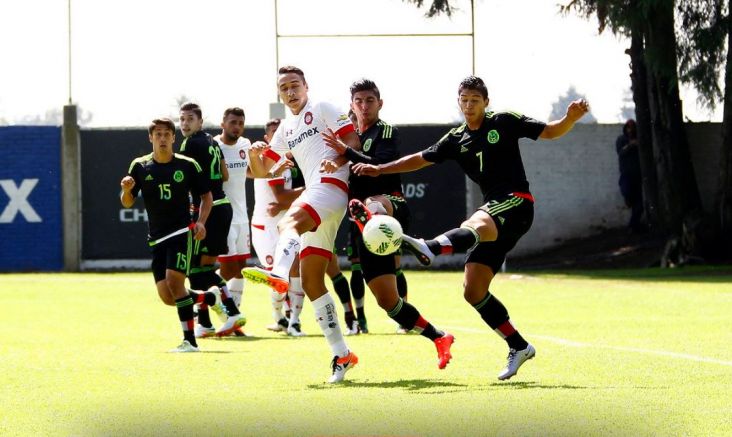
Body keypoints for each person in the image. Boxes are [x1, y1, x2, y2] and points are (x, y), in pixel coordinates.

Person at [353, 76, 590, 380]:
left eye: (475, 100)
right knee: (473, 290)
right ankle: (519, 346)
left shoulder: (504, 121)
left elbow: (549, 132)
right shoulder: (456, 138)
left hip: (516, 203)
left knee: (476, 222)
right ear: (459, 101)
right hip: (495, 213)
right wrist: (379, 169)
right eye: (464, 99)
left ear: (486, 102)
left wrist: (569, 118)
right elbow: (420, 159)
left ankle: (429, 246)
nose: (469, 105)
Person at [323, 78, 454, 369]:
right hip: (365, 229)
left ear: (379, 104)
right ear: (351, 105)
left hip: (390, 205)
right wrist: (336, 161)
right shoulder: (348, 136)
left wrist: (344, 153)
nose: (364, 106)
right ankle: (439, 337)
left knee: (372, 203)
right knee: (389, 304)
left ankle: (400, 236)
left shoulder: (386, 132)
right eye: (359, 101)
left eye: (370, 100)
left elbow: (377, 167)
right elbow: (342, 162)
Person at [243, 66, 358, 383]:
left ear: (306, 86)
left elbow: (354, 140)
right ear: (279, 94)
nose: (290, 92)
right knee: (311, 283)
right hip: (320, 198)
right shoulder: (284, 128)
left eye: (295, 85)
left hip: (331, 188)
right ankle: (342, 354)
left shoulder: (322, 108)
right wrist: (254, 153)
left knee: (287, 223)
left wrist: (337, 160)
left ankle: (278, 275)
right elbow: (263, 170)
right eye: (284, 88)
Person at [120, 118, 213, 352]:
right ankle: (209, 299)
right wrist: (126, 190)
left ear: (174, 138)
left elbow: (206, 196)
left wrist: (200, 222)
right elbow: (127, 204)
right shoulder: (140, 166)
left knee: (175, 282)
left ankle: (190, 341)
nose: (162, 138)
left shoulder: (187, 164)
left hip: (182, 231)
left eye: (166, 134)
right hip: (156, 237)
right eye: (157, 134)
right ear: (151, 138)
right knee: (167, 296)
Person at [178, 102, 245, 337]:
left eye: (190, 119)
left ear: (200, 121)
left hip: (209, 210)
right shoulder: (211, 141)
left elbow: (184, 180)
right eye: (182, 119)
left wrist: (198, 216)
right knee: (200, 268)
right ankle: (204, 323)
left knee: (197, 270)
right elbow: (224, 174)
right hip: (222, 206)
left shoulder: (189, 144)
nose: (185, 123)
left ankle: (232, 311)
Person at [252, 118, 307, 337]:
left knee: (294, 270)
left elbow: (285, 201)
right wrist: (315, 186)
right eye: (274, 134)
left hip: (287, 224)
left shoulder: (296, 159)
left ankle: (295, 321)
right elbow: (281, 197)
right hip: (264, 227)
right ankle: (279, 318)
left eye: (282, 133)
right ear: (268, 139)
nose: (280, 137)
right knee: (276, 277)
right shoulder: (269, 159)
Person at [213, 107, 251, 316]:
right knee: (227, 270)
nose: (237, 127)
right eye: (233, 122)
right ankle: (202, 303)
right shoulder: (213, 146)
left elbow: (252, 171)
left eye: (240, 123)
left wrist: (275, 169)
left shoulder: (246, 145)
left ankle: (233, 318)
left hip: (242, 217)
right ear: (223, 124)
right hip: (223, 216)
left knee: (240, 270)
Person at [616, 119, 644, 233]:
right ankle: (628, 201)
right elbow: (620, 152)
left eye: (632, 127)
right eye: (628, 127)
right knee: (627, 192)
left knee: (639, 204)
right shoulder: (621, 139)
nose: (630, 130)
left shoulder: (639, 139)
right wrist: (630, 145)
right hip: (626, 173)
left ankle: (633, 225)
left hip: (638, 174)